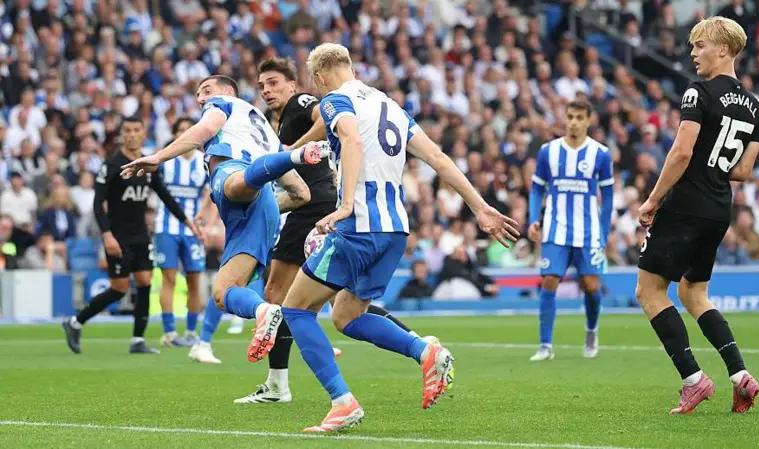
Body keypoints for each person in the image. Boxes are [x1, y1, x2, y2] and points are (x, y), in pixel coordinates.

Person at [247, 43, 518, 433]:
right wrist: (480, 207)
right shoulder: (390, 105)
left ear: (319, 78)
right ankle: (425, 351)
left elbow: (352, 140)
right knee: (346, 316)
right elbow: (438, 158)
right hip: (395, 231)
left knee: (295, 310)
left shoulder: (335, 100)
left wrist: (344, 205)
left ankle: (342, 403)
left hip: (359, 226)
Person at [233, 57, 446, 405]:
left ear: (296, 83)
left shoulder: (304, 103)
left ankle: (287, 387)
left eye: (273, 83)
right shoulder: (285, 120)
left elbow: (331, 121)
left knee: (284, 298)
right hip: (367, 217)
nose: (267, 91)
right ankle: (420, 347)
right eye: (261, 86)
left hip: (317, 208)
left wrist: (294, 150)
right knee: (342, 308)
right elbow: (435, 157)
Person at [120, 75, 327, 364]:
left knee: (235, 184)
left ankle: (294, 157)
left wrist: (159, 156)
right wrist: (265, 203)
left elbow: (205, 129)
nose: (201, 98)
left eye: (206, 90)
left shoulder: (223, 103)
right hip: (261, 207)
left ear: (228, 91)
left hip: (235, 175)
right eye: (198, 94)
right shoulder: (266, 131)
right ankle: (264, 311)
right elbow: (301, 193)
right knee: (223, 292)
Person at [635, 17, 759, 414]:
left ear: (723, 49)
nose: (693, 53)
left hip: (686, 204)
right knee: (694, 293)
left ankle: (693, 379)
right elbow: (743, 171)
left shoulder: (699, 92)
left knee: (649, 291)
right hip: (718, 209)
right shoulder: (755, 107)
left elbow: (682, 151)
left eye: (700, 45)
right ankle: (740, 376)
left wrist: (653, 199)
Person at [62, 116, 200, 355]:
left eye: (137, 130)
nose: (132, 134)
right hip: (117, 236)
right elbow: (98, 203)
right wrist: (107, 235)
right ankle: (75, 321)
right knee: (119, 288)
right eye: (128, 130)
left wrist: (188, 222)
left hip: (140, 235)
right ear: (121, 134)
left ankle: (137, 340)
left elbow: (165, 196)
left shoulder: (147, 164)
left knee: (145, 281)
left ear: (143, 133)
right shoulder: (112, 165)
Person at [527, 100, 614, 361]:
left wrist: (604, 232)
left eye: (579, 117)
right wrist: (533, 219)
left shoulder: (600, 154)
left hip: (588, 231)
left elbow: (608, 197)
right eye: (570, 117)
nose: (574, 122)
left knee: (591, 286)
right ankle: (545, 346)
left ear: (588, 120)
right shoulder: (548, 151)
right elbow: (536, 188)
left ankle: (591, 330)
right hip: (556, 228)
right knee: (549, 280)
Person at [155, 117, 209, 347]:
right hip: (166, 227)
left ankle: (191, 331)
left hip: (193, 230)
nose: (185, 133)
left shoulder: (203, 161)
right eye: (180, 130)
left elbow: (210, 193)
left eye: (189, 129)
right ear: (175, 134)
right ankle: (169, 332)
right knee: (168, 280)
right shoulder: (165, 160)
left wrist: (204, 218)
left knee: (194, 281)